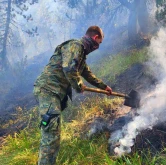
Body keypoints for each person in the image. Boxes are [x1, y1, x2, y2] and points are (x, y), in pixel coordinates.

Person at [33, 26, 112, 165]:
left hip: (54, 93)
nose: (97, 47)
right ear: (95, 38)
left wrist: (104, 87)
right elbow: (69, 69)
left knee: (53, 135)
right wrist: (78, 85)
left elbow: (87, 74)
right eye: (99, 43)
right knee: (51, 135)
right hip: (49, 90)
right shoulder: (75, 45)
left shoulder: (80, 55)